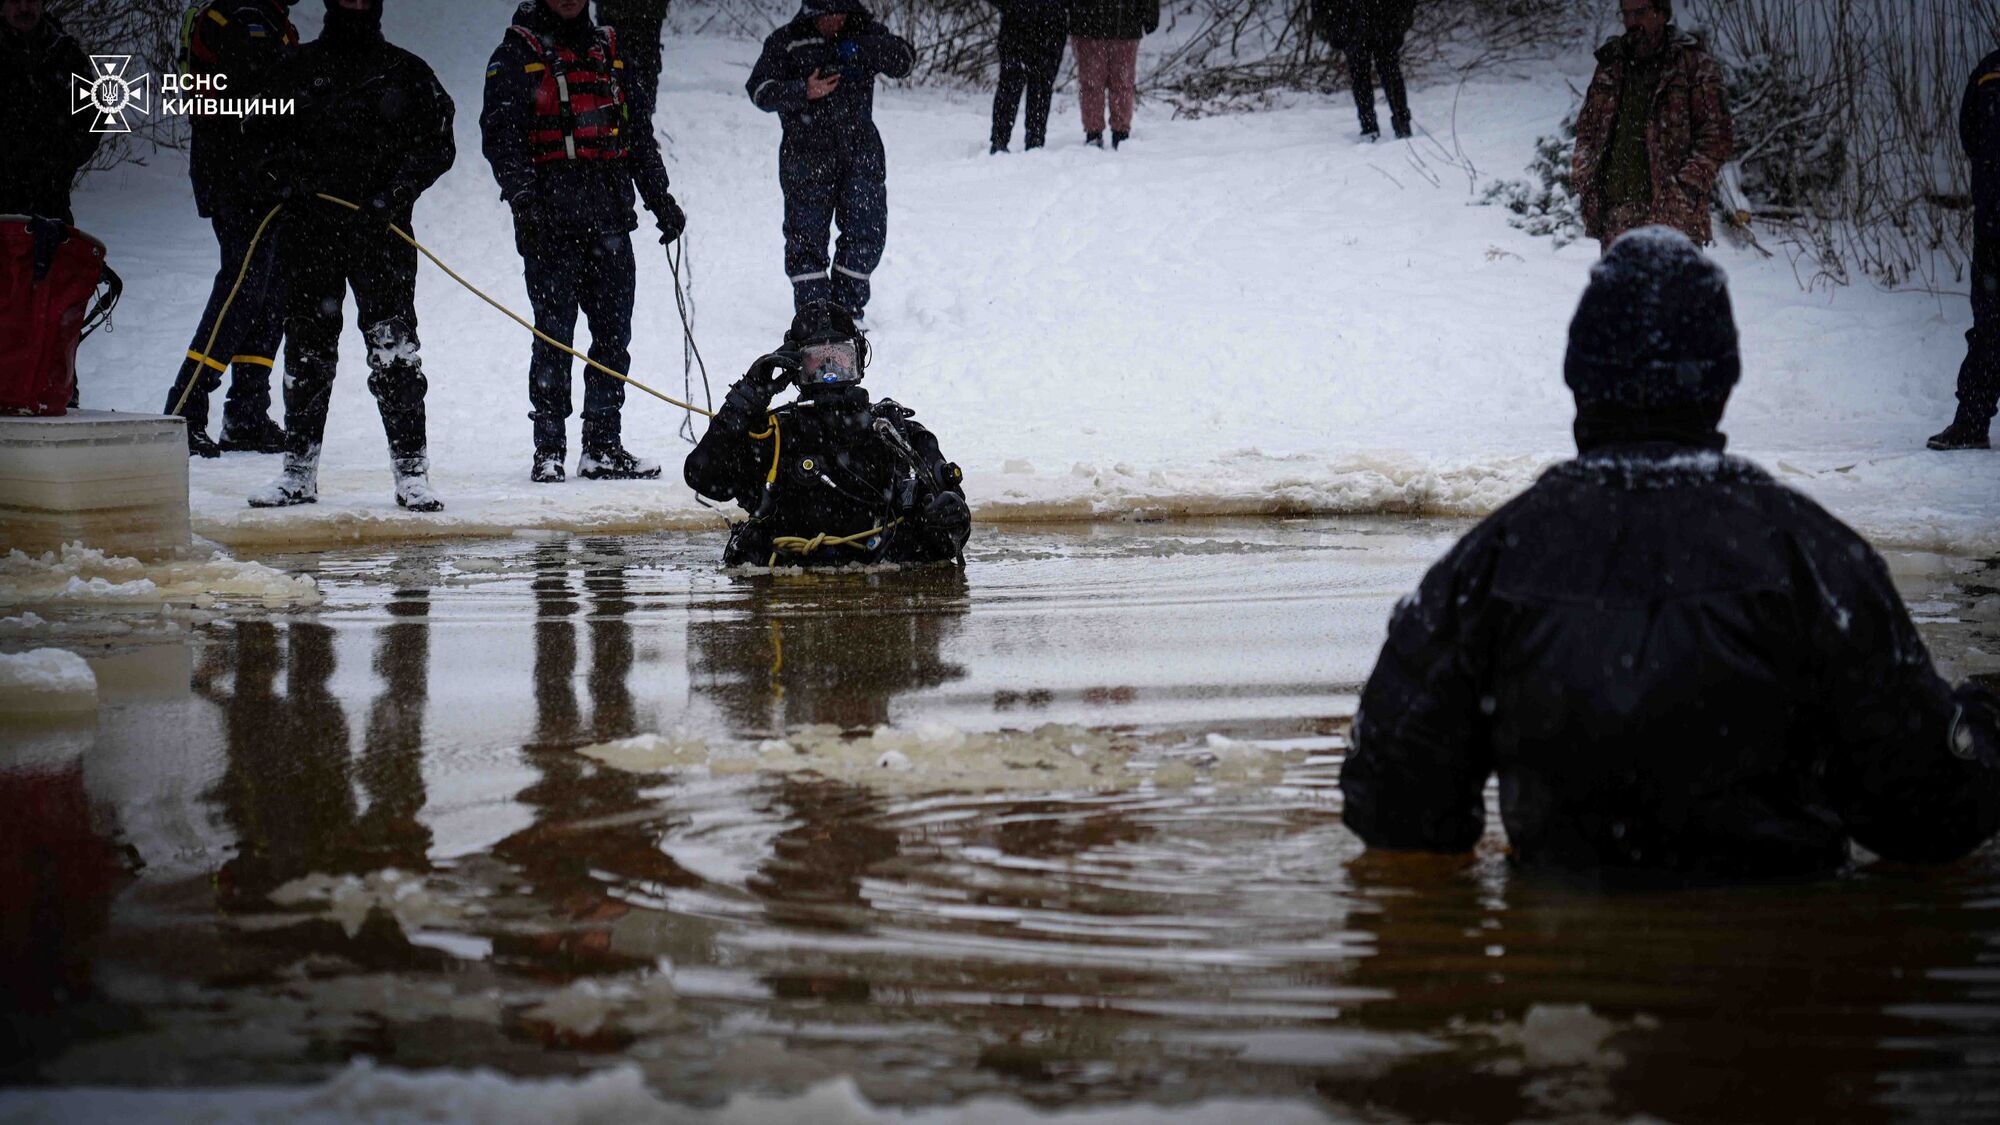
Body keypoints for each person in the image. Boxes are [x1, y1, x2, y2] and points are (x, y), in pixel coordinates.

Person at [1340, 228, 2000, 879]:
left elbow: (1394, 804)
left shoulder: (1491, 562)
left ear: (1581, 373)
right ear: (1722, 373)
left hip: (1568, 955)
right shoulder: (1815, 558)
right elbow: (1930, 817)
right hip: (1779, 954)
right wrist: (1984, 721)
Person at [245, 0, 455, 511]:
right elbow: (252, 133)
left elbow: (439, 144)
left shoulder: (406, 72)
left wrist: (397, 192)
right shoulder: (294, 69)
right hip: (311, 231)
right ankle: (298, 471)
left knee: (395, 352)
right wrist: (283, 180)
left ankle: (412, 473)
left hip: (381, 233)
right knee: (308, 351)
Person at [481, 0, 687, 484]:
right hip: (549, 225)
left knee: (613, 338)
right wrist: (524, 203)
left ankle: (602, 445)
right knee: (554, 335)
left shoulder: (610, 53)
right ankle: (548, 449)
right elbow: (501, 137)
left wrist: (661, 201)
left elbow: (637, 136)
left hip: (611, 220)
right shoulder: (514, 55)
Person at [683, 301, 970, 568]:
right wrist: (747, 397)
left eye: (840, 358)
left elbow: (952, 523)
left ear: (860, 358)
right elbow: (702, 476)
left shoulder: (895, 432)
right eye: (816, 362)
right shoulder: (774, 436)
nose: (829, 372)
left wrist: (950, 515)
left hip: (880, 587)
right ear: (795, 365)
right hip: (785, 598)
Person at [162, 0, 299, 458]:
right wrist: (271, 161)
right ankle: (186, 405)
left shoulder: (264, 18)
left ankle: (246, 414)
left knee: (270, 290)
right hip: (242, 180)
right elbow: (251, 102)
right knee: (242, 289)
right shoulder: (243, 19)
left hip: (260, 179)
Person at [747, 0, 914, 320]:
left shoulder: (865, 33)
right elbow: (758, 90)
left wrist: (866, 49)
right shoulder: (788, 40)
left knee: (866, 230)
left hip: (860, 150)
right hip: (805, 154)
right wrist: (802, 91)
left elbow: (905, 61)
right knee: (805, 237)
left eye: (840, 14)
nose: (834, 21)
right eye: (827, 15)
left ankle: (847, 310)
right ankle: (816, 315)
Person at [1570, 0, 1732, 251]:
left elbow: (1716, 136)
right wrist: (1584, 177)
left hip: (1673, 221)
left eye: (1641, 12)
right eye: (1626, 14)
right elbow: (1587, 130)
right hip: (1617, 218)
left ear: (1661, 13)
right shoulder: (1611, 65)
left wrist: (1684, 189)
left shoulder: (1692, 64)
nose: (1632, 21)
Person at [1928, 46, 2000, 452]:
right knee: (1989, 326)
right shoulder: (1989, 69)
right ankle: (1972, 423)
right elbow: (1970, 132)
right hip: (1993, 223)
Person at [0, 0, 99, 224]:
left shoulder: (65, 54)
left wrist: (61, 160)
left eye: (32, 0)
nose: (24, 8)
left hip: (52, 206)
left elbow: (93, 117)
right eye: (16, 1)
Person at [1311, 0, 1415, 141]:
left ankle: (1398, 124)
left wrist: (1401, 20)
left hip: (1381, 21)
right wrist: (1331, 27)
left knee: (1386, 73)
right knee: (1365, 76)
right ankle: (1370, 127)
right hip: (1355, 24)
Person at [1067, 0, 1157, 149]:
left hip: (1112, 23)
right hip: (1098, 23)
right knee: (1100, 84)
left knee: (1115, 83)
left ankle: (1112, 131)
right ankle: (1099, 132)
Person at [986, 1, 1066, 154]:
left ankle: (1034, 141)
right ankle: (1000, 140)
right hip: (1016, 25)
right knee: (1011, 84)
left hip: (1050, 26)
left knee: (1040, 86)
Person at [593, 0, 668, 126]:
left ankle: (638, 127)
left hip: (641, 13)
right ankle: (632, 126)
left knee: (624, 73)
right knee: (616, 72)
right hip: (638, 13)